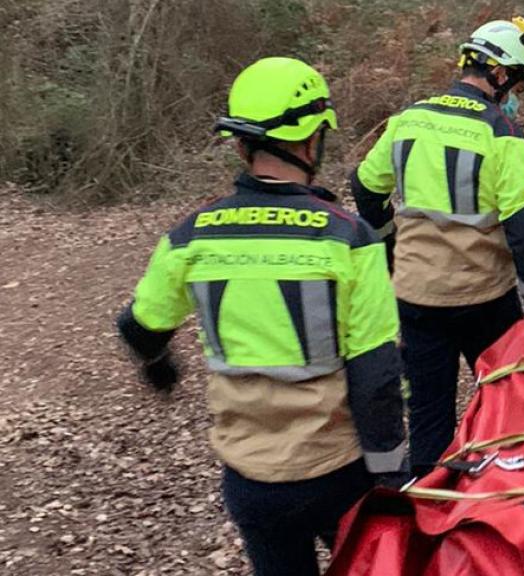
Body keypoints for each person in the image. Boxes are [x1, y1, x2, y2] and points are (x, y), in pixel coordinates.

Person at [116, 57, 407, 576]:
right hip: (337, 470)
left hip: (250, 478)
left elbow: (139, 327)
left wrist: (159, 365)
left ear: (239, 145)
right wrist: (390, 474)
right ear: (311, 140)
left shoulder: (191, 235)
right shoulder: (349, 238)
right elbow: (376, 373)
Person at [351, 17, 524, 476]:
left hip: (416, 296)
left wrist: (389, 248)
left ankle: (430, 501)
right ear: (499, 74)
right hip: (485, 297)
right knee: (508, 403)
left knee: (428, 416)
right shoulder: (501, 132)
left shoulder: (407, 120)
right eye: (520, 84)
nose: (518, 96)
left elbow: (364, 187)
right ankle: (503, 495)